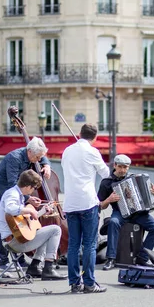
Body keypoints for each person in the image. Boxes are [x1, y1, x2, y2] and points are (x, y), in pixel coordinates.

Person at [0, 137, 52, 271]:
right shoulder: (14, 158)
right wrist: (28, 199)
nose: (38, 160)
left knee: (19, 222)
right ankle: (4, 261)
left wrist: (46, 164)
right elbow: (13, 184)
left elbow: (42, 157)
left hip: (15, 192)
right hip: (0, 191)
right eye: (37, 157)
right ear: (29, 152)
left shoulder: (32, 154)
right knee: (7, 223)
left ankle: (19, 259)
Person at [61, 124, 110, 293]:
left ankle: (75, 283)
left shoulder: (67, 151)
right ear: (95, 138)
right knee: (89, 244)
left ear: (79, 134)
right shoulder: (93, 152)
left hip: (70, 203)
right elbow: (105, 174)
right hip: (87, 202)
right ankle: (89, 283)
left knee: (74, 244)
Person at [98, 154, 154, 271]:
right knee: (113, 222)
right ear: (115, 165)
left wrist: (152, 193)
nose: (123, 170)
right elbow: (100, 205)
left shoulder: (135, 178)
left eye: (125, 167)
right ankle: (111, 259)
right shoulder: (106, 182)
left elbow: (148, 199)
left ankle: (143, 256)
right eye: (120, 167)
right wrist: (109, 200)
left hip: (138, 213)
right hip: (119, 212)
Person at [0, 169, 66, 280]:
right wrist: (30, 211)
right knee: (55, 230)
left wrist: (42, 211)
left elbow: (25, 223)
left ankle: (35, 266)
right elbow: (10, 209)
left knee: (43, 231)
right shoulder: (12, 194)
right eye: (34, 188)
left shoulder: (17, 195)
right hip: (15, 241)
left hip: (17, 238)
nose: (33, 191)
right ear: (28, 186)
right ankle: (48, 268)